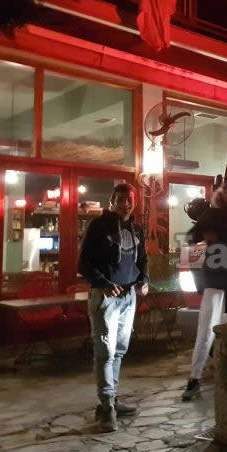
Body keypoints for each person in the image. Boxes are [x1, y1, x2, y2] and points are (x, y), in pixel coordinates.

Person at [78, 183, 149, 432]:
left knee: (119, 351)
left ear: (134, 202)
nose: (125, 204)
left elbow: (142, 259)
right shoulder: (98, 226)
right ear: (112, 202)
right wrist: (104, 284)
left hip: (129, 296)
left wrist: (144, 280)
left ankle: (111, 399)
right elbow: (83, 263)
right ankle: (107, 408)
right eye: (120, 199)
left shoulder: (136, 229)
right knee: (105, 353)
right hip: (105, 297)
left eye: (129, 199)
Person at [181, 176, 227, 401]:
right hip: (216, 280)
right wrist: (204, 237)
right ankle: (194, 378)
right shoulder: (212, 214)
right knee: (206, 329)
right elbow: (191, 236)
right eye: (225, 189)